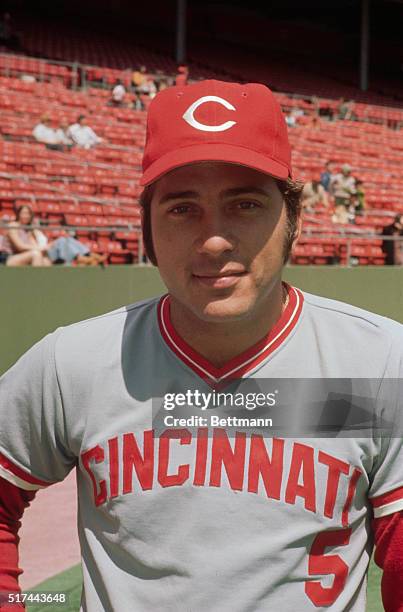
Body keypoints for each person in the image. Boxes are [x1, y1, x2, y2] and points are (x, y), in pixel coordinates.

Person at [0, 79, 403, 612]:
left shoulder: (378, 364)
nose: (214, 240)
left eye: (244, 203)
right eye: (182, 208)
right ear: (147, 227)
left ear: (295, 220)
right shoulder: (73, 363)